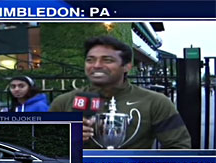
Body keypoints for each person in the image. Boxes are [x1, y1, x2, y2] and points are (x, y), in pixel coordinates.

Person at [50, 36, 191, 149]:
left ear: (127, 66)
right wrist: (66, 139)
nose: (96, 65)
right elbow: (40, 145)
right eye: (90, 60)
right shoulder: (63, 102)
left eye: (107, 60)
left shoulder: (155, 102)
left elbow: (179, 147)